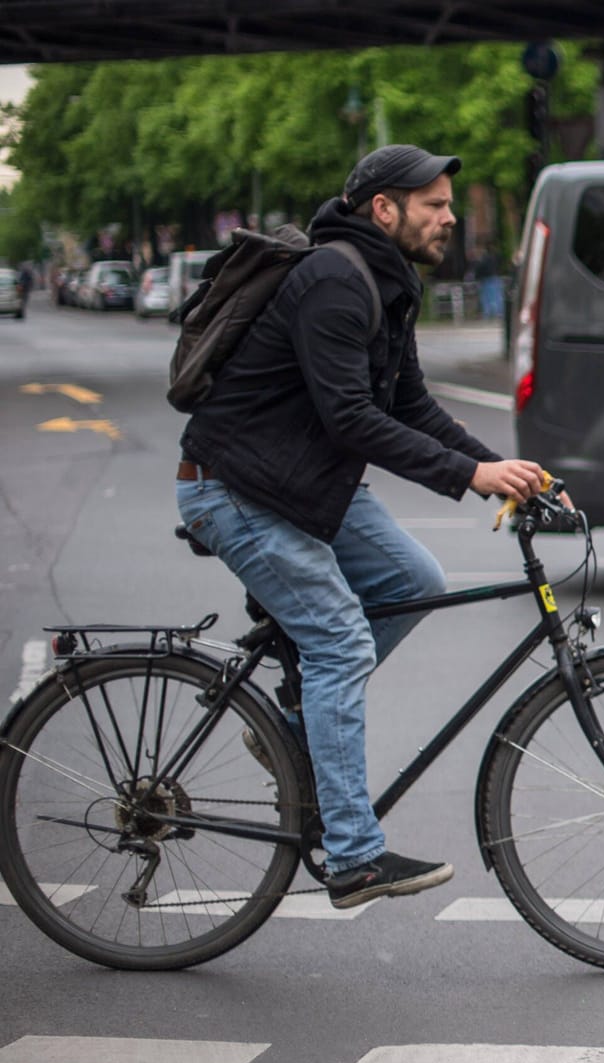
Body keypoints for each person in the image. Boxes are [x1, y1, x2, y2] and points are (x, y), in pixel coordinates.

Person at [177, 144, 553, 910]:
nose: (450, 217)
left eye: (450, 205)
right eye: (436, 206)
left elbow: (409, 403)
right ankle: (352, 859)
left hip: (298, 483)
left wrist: (501, 470)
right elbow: (350, 418)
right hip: (235, 490)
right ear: (385, 209)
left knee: (414, 581)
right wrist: (468, 476)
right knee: (342, 639)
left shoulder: (388, 281)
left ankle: (290, 722)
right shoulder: (335, 283)